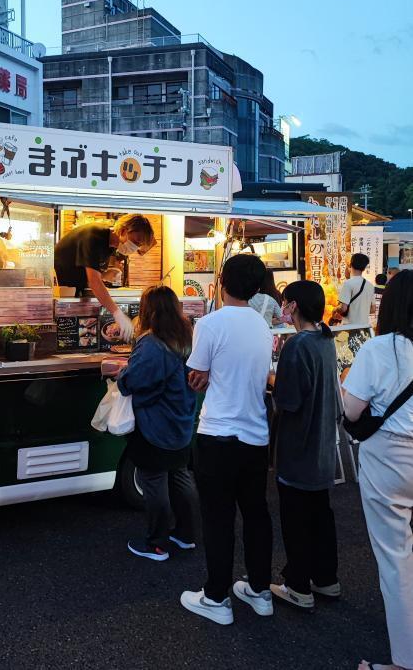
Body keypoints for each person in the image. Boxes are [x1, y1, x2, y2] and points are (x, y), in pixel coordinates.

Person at [180, 254, 274, 625]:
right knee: (256, 514)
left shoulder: (209, 323)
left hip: (218, 433)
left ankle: (216, 597)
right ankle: (260, 591)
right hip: (255, 435)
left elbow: (196, 374)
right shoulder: (262, 325)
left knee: (217, 518)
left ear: (221, 281)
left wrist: (203, 377)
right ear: (257, 287)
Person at [343, 270, 413, 670]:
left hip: (390, 457)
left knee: (396, 557)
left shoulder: (379, 348)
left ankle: (404, 660)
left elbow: (351, 409)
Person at [108, 285, 198, 562]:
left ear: (150, 310)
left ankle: (157, 544)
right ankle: (186, 534)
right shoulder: (187, 337)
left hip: (156, 424)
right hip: (182, 421)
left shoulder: (152, 343)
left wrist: (122, 374)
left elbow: (134, 381)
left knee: (154, 480)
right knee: (180, 475)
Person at [270, 280, 341, 610]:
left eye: (285, 302)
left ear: (294, 306)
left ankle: (298, 586)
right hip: (323, 448)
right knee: (320, 515)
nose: (283, 309)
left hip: (299, 447)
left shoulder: (296, 345)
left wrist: (270, 380)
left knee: (296, 518)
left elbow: (289, 400)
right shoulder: (325, 339)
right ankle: (326, 579)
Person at [54, 214, 156, 342]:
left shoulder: (109, 247)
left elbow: (89, 272)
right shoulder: (94, 235)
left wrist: (105, 275)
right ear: (123, 231)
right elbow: (94, 282)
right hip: (61, 294)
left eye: (138, 245)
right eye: (136, 242)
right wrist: (117, 313)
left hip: (74, 292)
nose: (135, 247)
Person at [335, 253, 374, 325]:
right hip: (364, 326)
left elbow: (343, 308)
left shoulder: (348, 283)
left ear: (350, 264)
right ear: (364, 268)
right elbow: (373, 309)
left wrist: (335, 310)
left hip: (349, 326)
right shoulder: (370, 286)